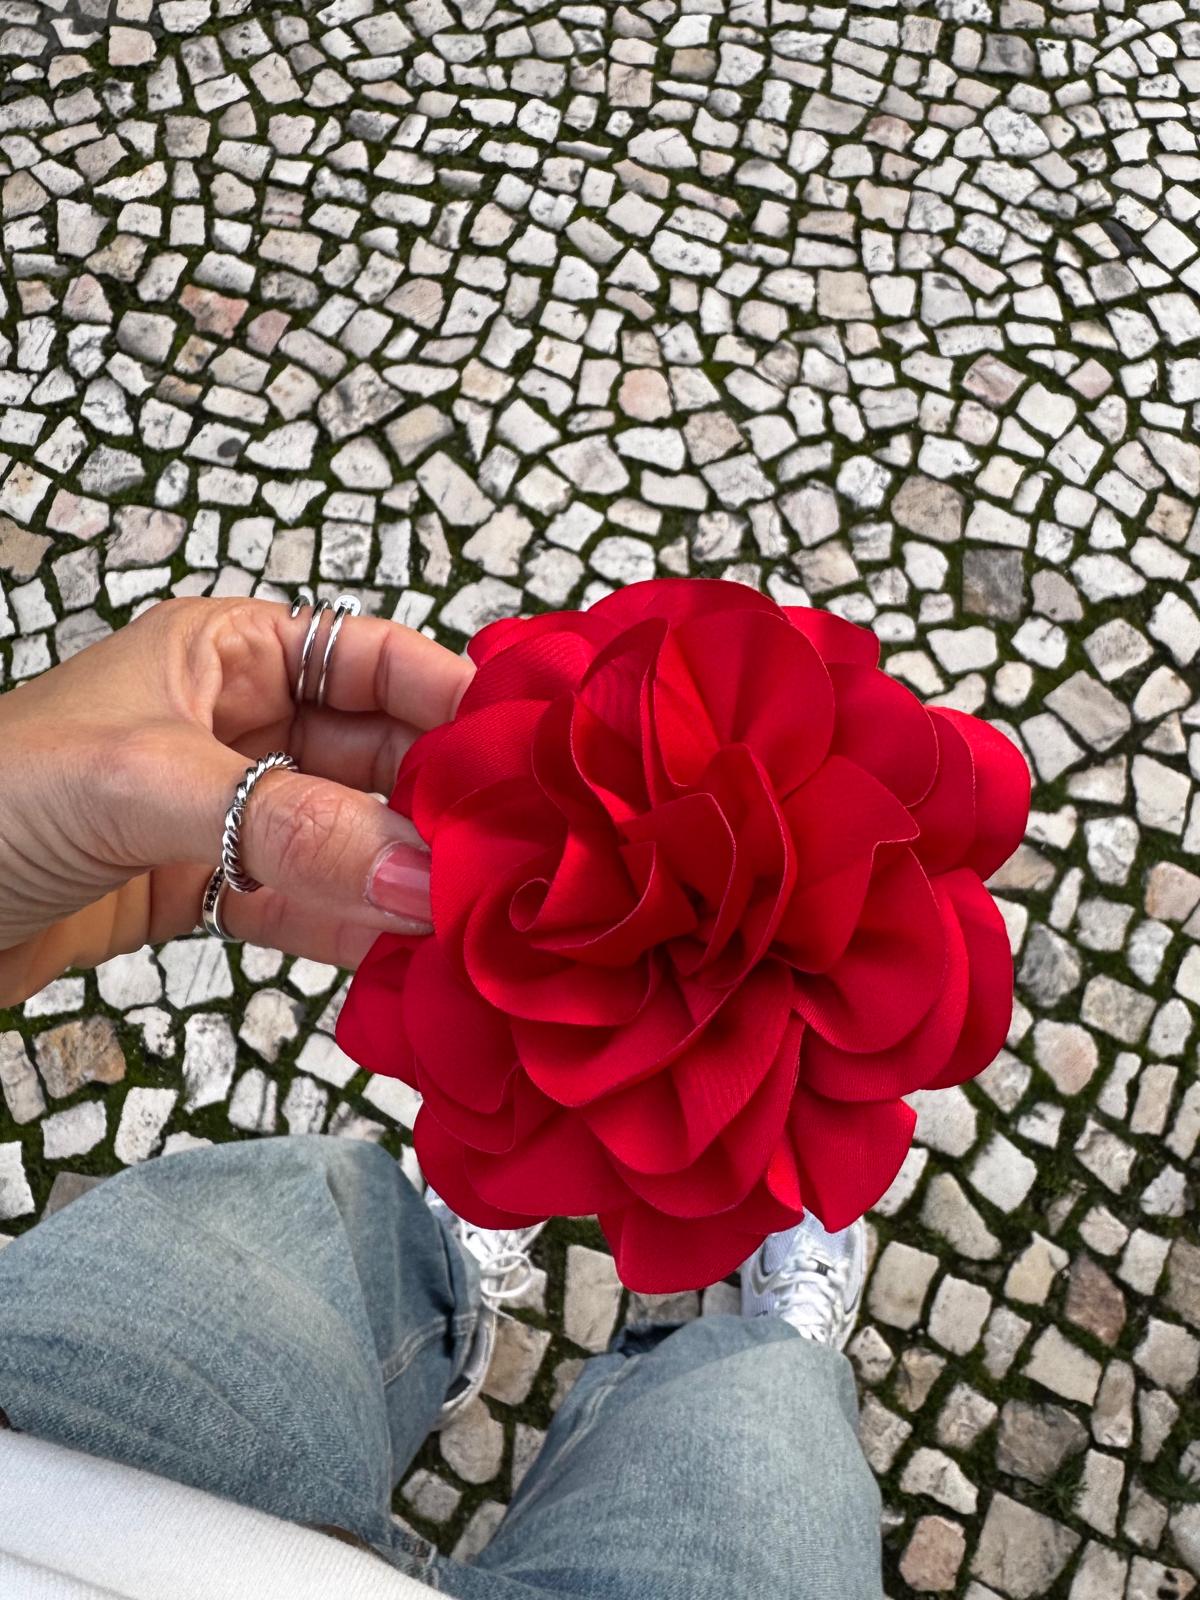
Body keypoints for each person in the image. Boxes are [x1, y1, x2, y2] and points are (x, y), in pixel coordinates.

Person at [0, 596, 883, 1599]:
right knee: (765, 1429)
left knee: (309, 1225)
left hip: (41, 1454)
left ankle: (437, 1290)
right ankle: (765, 1347)